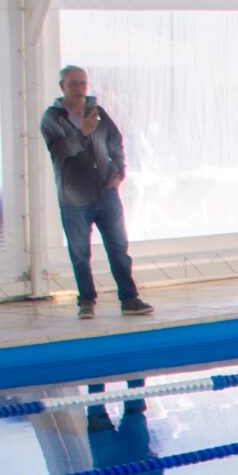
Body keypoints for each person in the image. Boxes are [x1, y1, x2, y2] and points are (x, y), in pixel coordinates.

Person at [38, 66, 151, 320]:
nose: (80, 89)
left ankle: (129, 298)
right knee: (80, 253)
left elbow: (115, 140)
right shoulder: (52, 118)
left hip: (106, 193)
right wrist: (83, 133)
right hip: (74, 198)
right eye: (74, 84)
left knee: (118, 248)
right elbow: (60, 150)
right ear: (62, 86)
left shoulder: (96, 112)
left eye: (83, 84)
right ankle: (86, 300)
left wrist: (120, 171)